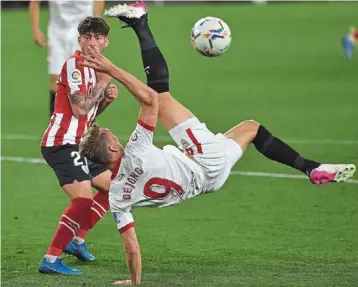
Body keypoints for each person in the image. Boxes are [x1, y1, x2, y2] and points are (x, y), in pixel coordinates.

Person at [80, 3, 356, 285]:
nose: (116, 136)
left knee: (251, 129)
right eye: (112, 137)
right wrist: (111, 68)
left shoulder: (117, 197)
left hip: (208, 182)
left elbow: (132, 247)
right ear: (113, 150)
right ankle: (141, 22)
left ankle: (311, 168)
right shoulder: (135, 152)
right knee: (159, 95)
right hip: (204, 160)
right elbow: (149, 99)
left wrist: (134, 282)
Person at [38, 16, 118, 275]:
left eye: (97, 37)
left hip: (80, 143)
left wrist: (105, 102)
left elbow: (90, 114)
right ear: (79, 40)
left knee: (113, 188)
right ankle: (50, 260)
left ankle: (76, 240)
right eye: (87, 36)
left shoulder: (97, 68)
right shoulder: (74, 65)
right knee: (83, 199)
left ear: (106, 41)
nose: (92, 42)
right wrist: (102, 85)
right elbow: (80, 108)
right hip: (61, 143)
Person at [29, 0, 105, 117]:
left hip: (84, 35)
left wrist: (96, 26)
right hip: (58, 34)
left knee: (86, 78)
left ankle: (87, 123)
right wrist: (36, 30)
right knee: (56, 79)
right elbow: (35, 2)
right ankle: (56, 121)